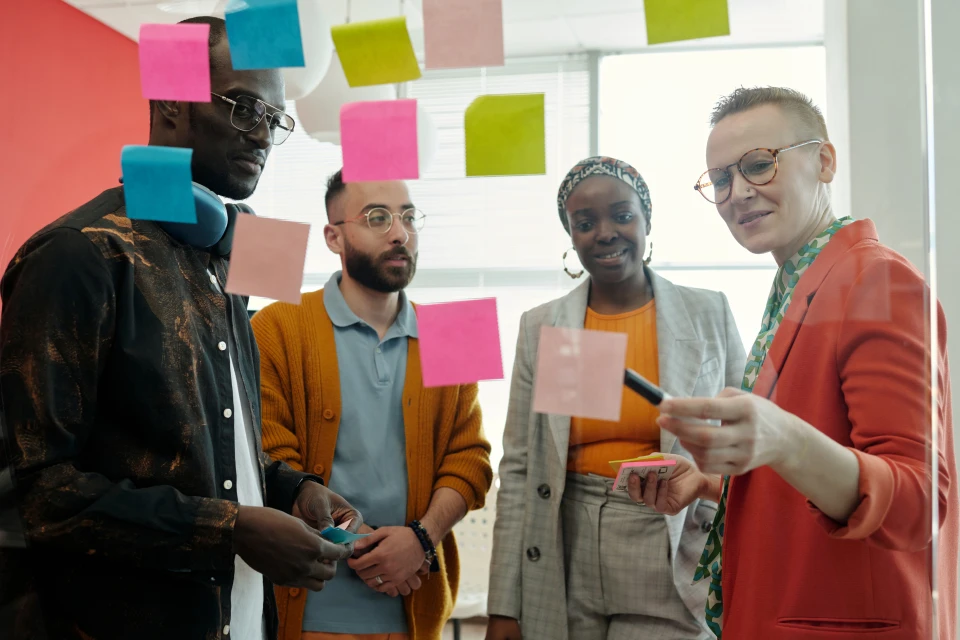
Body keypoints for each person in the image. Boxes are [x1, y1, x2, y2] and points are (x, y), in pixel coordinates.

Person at [0, 17, 362, 640]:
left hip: (239, 618)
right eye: (245, 108)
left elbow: (213, 440)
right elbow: (38, 494)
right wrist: (230, 529)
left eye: (274, 119)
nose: (263, 136)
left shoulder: (228, 252)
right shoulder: (78, 255)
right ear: (171, 100)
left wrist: (288, 487)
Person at [632, 87, 958, 639]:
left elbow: (917, 502)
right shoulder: (801, 283)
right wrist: (712, 484)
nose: (738, 193)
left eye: (759, 165)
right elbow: (812, 476)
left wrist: (783, 439)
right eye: (720, 179)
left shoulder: (876, 281)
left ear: (824, 161)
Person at [486, 156, 747, 640]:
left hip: (672, 539)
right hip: (565, 548)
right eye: (585, 224)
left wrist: (714, 512)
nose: (605, 233)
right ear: (570, 234)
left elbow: (746, 445)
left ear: (647, 220)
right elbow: (519, 469)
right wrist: (504, 605)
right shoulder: (543, 327)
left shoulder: (708, 311)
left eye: (622, 216)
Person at [251, 170, 493, 640]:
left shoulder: (455, 332)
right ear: (333, 237)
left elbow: (472, 459)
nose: (400, 233)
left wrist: (420, 538)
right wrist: (364, 547)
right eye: (377, 218)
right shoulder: (275, 325)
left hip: (414, 608)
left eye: (408, 217)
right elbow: (269, 457)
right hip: (306, 610)